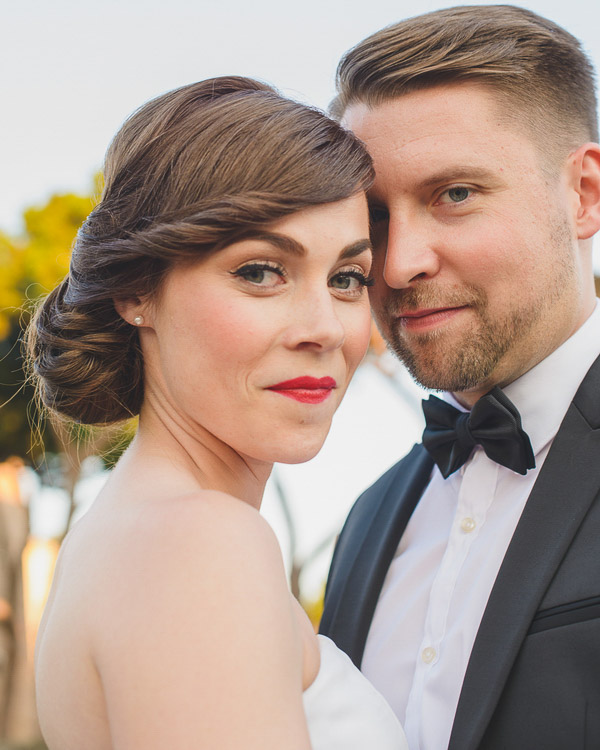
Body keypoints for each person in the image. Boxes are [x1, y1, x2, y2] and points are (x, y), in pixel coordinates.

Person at [28, 77, 408, 749]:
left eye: (346, 279)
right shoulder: (198, 543)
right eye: (261, 271)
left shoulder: (130, 533)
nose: (323, 328)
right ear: (135, 290)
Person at [319, 6, 600, 750]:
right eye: (375, 218)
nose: (401, 262)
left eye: (455, 194)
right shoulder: (369, 519)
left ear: (584, 194)